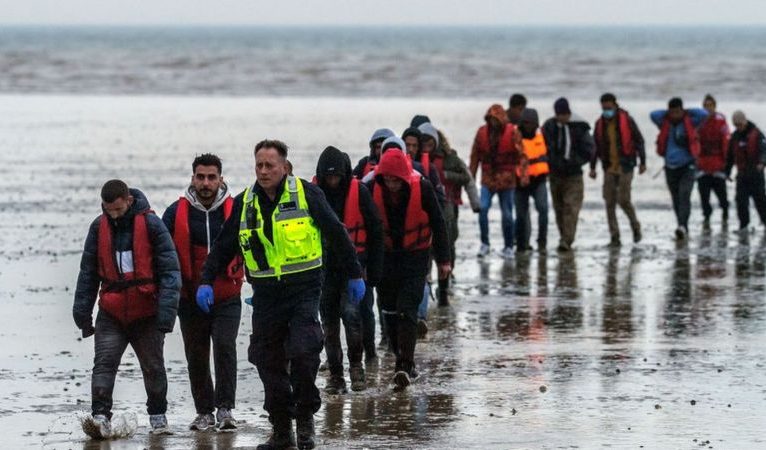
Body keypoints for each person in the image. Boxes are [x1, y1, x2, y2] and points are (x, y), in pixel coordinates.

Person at [199, 140, 364, 450]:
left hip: (303, 289)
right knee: (267, 360)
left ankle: (305, 420)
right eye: (259, 165)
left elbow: (336, 232)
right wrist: (206, 279)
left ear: (285, 168)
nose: (263, 171)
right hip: (266, 295)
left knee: (304, 353)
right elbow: (223, 246)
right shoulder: (245, 202)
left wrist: (355, 272)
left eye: (269, 165)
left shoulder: (306, 193)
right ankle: (281, 430)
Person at [73, 180, 180, 439]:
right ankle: (99, 417)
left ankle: (158, 416)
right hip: (111, 312)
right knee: (104, 364)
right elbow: (87, 273)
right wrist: (82, 314)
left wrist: (167, 314)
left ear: (128, 201)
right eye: (108, 210)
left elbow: (170, 272)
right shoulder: (98, 228)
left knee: (153, 366)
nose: (114, 215)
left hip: (147, 313)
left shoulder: (153, 225)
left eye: (118, 210)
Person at [161, 154, 243, 431]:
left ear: (221, 178)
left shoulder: (237, 209)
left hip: (227, 295)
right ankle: (204, 412)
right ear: (192, 178)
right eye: (200, 177)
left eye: (211, 177)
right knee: (196, 354)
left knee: (224, 347)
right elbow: (163, 256)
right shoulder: (174, 213)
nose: (206, 183)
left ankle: (225, 410)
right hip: (190, 297)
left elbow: (254, 246)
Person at [366, 149, 451, 389]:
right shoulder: (372, 188)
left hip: (415, 257)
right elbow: (367, 228)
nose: (392, 184)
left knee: (407, 309)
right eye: (388, 179)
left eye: (396, 180)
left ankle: (405, 365)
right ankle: (400, 356)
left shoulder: (422, 188)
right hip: (387, 258)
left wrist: (444, 260)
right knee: (389, 311)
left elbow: (439, 223)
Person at [314, 146, 384, 394]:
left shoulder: (359, 192)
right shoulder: (313, 194)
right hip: (323, 272)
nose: (333, 182)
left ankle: (356, 368)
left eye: (337, 177)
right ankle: (335, 375)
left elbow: (376, 230)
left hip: (354, 269)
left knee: (353, 318)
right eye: (328, 177)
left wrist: (374, 271)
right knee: (329, 325)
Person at [416, 119, 480, 305]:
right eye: (424, 144)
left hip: (448, 210)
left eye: (430, 143)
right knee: (426, 252)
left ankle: (443, 291)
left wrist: (475, 204)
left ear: (436, 142)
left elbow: (467, 179)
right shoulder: (416, 161)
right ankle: (427, 289)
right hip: (424, 214)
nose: (427, 147)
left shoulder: (451, 158)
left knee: (447, 249)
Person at [590, 93, 646, 247]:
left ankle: (635, 227)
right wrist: (592, 167)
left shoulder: (627, 120)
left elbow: (639, 140)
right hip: (609, 167)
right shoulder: (599, 124)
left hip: (626, 165)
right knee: (609, 202)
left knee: (624, 200)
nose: (606, 111)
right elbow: (595, 146)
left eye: (608, 108)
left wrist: (643, 162)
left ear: (615, 105)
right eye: (604, 108)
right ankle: (614, 237)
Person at [542, 98, 595, 251]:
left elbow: (589, 149)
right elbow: (543, 147)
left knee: (571, 208)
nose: (562, 117)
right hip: (555, 175)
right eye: (560, 114)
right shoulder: (549, 127)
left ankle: (567, 240)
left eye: (565, 114)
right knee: (559, 208)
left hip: (574, 175)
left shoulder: (579, 127)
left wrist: (574, 161)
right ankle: (563, 236)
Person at [651, 97, 707, 240]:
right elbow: (653, 114)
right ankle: (682, 225)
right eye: (672, 112)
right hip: (670, 166)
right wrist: (668, 113)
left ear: (682, 110)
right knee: (675, 198)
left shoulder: (690, 121)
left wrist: (686, 112)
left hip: (688, 165)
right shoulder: (664, 122)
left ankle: (682, 225)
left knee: (684, 194)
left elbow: (704, 114)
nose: (675, 115)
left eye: (677, 112)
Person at [469, 104, 521, 259]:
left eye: (496, 120)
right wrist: (470, 177)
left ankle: (509, 246)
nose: (493, 123)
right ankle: (485, 243)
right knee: (483, 208)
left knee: (507, 214)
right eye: (491, 120)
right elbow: (475, 156)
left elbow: (522, 156)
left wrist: (523, 176)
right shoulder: (482, 132)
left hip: (507, 179)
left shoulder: (513, 132)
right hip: (488, 178)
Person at [515, 108, 550, 252]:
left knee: (543, 210)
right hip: (519, 183)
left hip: (539, 180)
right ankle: (522, 244)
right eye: (526, 123)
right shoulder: (515, 139)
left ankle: (542, 242)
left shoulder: (542, 138)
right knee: (521, 215)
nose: (529, 126)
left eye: (532, 123)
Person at [726, 110, 766, 231]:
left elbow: (764, 150)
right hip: (742, 175)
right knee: (741, 201)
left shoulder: (757, 133)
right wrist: (727, 172)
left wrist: (762, 162)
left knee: (760, 200)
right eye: (736, 125)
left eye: (740, 124)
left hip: (756, 173)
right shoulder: (734, 137)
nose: (739, 127)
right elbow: (730, 157)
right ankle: (744, 225)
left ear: (745, 121)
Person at [697, 94, 731, 226]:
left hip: (717, 163)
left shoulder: (720, 120)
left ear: (714, 106)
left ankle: (725, 212)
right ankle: (706, 216)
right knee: (704, 195)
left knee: (721, 194)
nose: (708, 108)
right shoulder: (699, 121)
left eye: (710, 106)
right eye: (706, 106)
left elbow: (725, 142)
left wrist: (725, 163)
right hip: (702, 164)